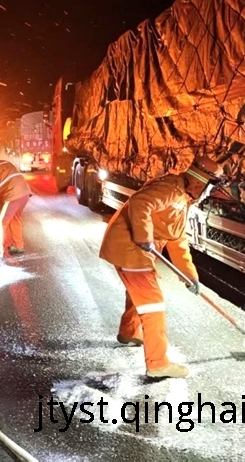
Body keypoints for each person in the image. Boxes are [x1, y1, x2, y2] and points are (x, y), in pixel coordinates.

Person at [98, 155, 225, 379]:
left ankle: (129, 332)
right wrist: (144, 236)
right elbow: (140, 202)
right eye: (209, 187)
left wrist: (189, 275)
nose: (208, 193)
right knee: (153, 304)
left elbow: (177, 239)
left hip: (136, 249)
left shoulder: (183, 198)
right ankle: (158, 364)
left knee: (137, 294)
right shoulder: (170, 189)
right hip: (130, 247)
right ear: (199, 182)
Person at [0, 149, 32, 257]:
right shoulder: (6, 163)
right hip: (24, 192)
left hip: (12, 194)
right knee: (15, 219)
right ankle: (19, 246)